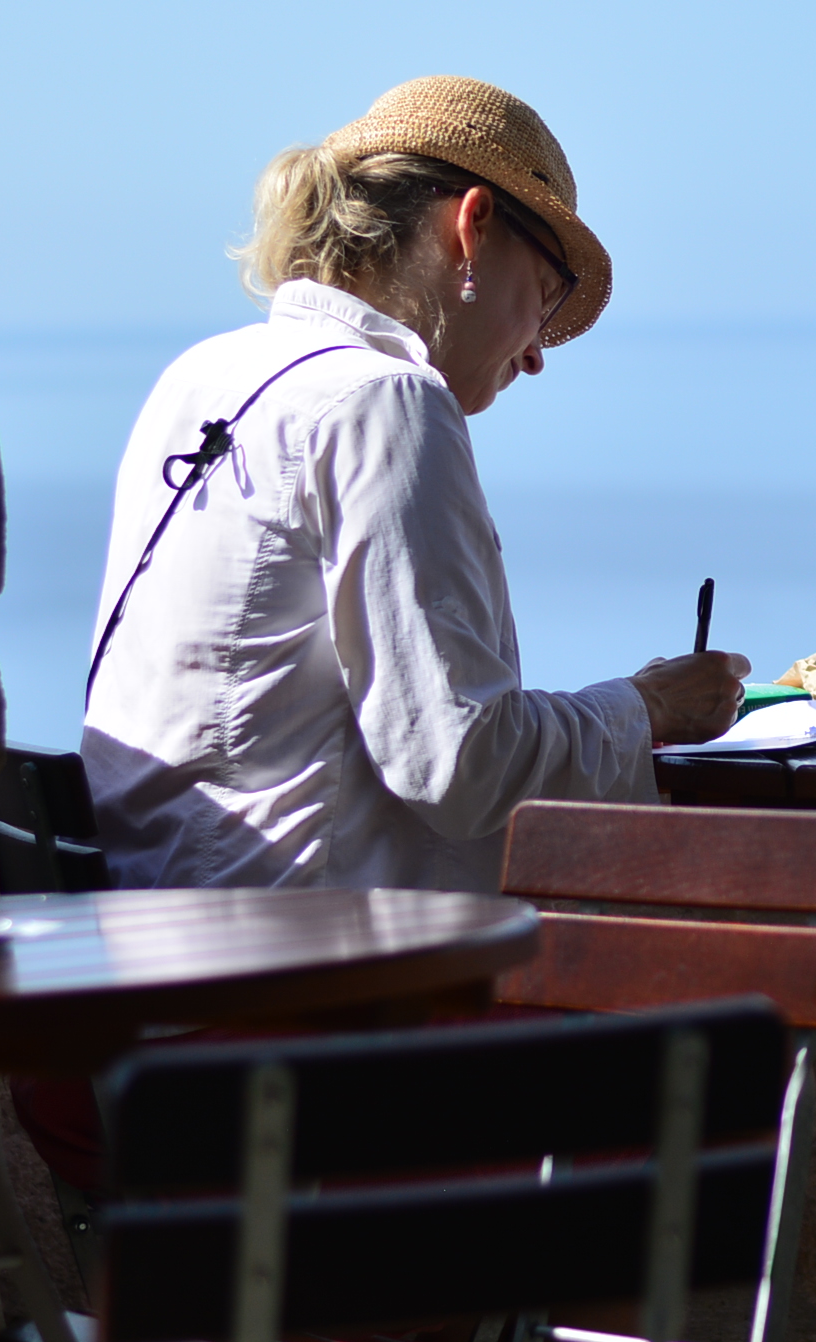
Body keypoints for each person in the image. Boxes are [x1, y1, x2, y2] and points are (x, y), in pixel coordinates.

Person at [78, 75, 748, 893]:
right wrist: (644, 709)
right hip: (305, 974)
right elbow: (461, 762)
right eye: (544, 298)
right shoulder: (385, 402)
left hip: (147, 944)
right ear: (472, 227)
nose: (538, 352)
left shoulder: (201, 377)